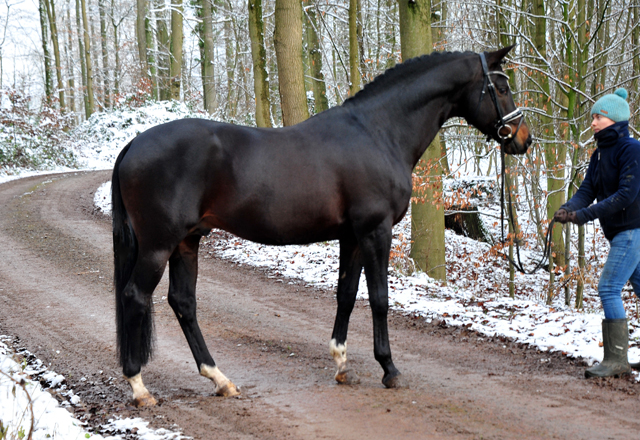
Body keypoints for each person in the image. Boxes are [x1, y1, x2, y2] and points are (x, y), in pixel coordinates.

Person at [554, 88, 640, 378]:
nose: (592, 122)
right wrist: (568, 209)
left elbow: (626, 195)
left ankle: (617, 360)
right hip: (621, 233)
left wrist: (583, 215)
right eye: (593, 116)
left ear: (614, 120)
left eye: (598, 116)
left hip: (632, 231)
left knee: (608, 287)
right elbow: (587, 190)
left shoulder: (632, 150)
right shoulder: (600, 154)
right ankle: (619, 359)